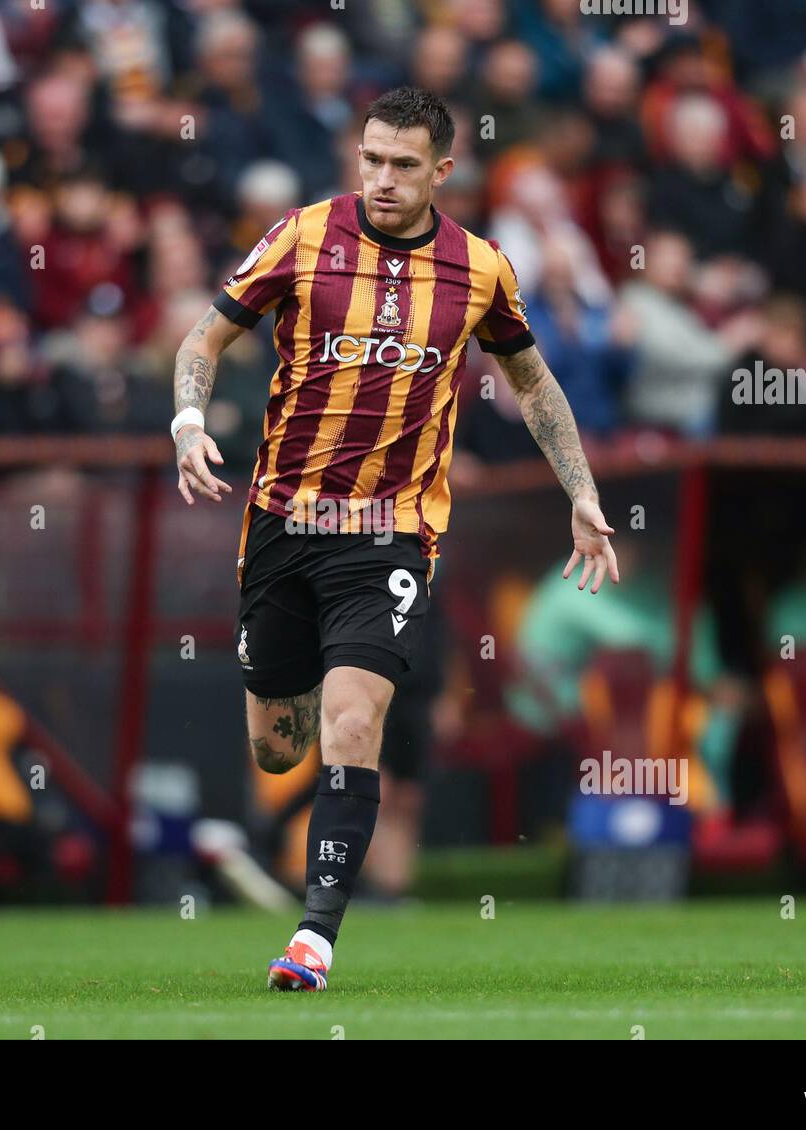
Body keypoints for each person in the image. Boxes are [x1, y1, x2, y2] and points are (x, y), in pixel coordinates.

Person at [170, 87, 619, 991]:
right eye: (371, 158)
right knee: (279, 744)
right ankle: (301, 876)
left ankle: (314, 939)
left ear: (441, 171)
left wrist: (582, 489)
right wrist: (186, 420)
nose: (381, 178)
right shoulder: (301, 236)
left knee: (352, 718)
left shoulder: (481, 269)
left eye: (402, 164)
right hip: (282, 523)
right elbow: (204, 338)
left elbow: (532, 384)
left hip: (391, 536)